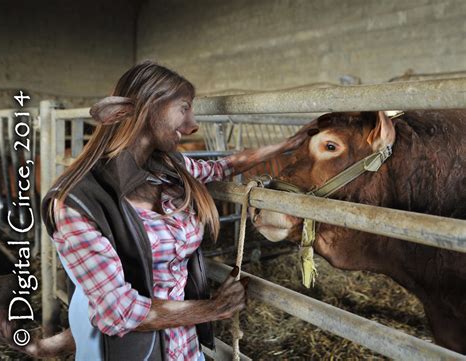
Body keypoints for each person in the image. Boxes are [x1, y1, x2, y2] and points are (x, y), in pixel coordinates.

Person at [37, 60, 309, 360]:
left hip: (185, 345)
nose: (192, 125)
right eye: (184, 107)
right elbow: (118, 312)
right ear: (148, 108)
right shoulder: (75, 203)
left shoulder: (168, 168)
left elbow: (224, 165)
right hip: (129, 352)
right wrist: (215, 308)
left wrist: (290, 143)